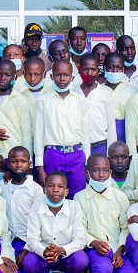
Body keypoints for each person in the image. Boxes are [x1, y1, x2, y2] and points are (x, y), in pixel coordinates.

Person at [75, 154, 137, 273]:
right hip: (94, 248)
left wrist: (120, 251)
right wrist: (94, 243)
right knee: (103, 271)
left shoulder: (120, 197)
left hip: (116, 248)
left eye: (106, 170)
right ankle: (91, 272)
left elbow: (125, 228)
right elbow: (79, 229)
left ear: (110, 172)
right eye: (96, 170)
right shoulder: (79, 198)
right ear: (87, 173)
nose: (101, 175)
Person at [22, 172, 90, 273]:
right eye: (51, 186)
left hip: (66, 255)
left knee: (81, 260)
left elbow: (80, 239)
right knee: (29, 262)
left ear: (67, 191)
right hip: (44, 255)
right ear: (44, 189)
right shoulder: (36, 207)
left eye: (60, 186)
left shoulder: (74, 207)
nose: (55, 190)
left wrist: (62, 250)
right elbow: (32, 239)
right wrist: (44, 251)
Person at [33, 59, 91, 194]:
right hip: (53, 155)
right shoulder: (43, 100)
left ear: (72, 77)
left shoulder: (79, 100)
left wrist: (87, 162)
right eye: (58, 75)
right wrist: (40, 166)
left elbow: (85, 133)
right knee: (54, 195)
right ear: (52, 77)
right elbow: (38, 134)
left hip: (76, 155)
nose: (62, 79)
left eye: (66, 75)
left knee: (77, 196)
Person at [0, 59, 35, 163]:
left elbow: (26, 134)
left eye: (7, 75)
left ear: (14, 77)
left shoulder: (20, 100)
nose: (2, 78)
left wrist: (28, 163)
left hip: (17, 158)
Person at [78, 54, 114, 155]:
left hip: (100, 146)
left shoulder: (106, 93)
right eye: (85, 69)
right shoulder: (73, 93)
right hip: (79, 148)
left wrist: (109, 153)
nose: (89, 73)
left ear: (98, 72)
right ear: (79, 70)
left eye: (93, 70)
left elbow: (111, 127)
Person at [102, 52, 137, 143]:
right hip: (103, 132)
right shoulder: (99, 90)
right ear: (104, 68)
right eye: (110, 67)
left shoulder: (131, 91)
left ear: (123, 69)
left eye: (119, 68)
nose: (114, 71)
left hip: (125, 131)